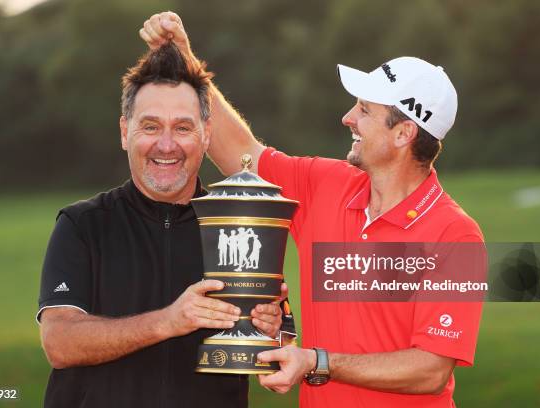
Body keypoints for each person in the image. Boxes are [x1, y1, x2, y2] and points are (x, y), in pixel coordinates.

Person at [139, 12, 484, 408]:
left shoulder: (456, 235)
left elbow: (431, 370)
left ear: (403, 133)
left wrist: (318, 362)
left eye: (365, 111)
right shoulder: (327, 184)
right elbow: (243, 154)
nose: (348, 118)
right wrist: (185, 58)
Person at [37, 43, 294, 408]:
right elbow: (59, 343)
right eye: (151, 126)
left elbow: (280, 361)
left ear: (206, 133)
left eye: (183, 127)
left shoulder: (241, 225)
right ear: (125, 131)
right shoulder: (82, 224)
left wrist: (271, 333)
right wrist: (168, 321)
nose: (167, 144)